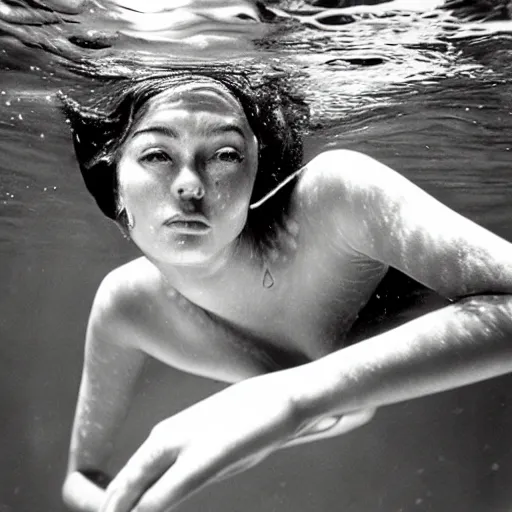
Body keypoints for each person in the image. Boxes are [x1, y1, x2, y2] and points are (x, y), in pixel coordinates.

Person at [60, 69, 512, 512]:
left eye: (225, 155)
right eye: (157, 155)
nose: (191, 186)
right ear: (112, 179)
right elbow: (80, 479)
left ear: (257, 168)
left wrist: (291, 398)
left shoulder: (335, 198)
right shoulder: (128, 305)